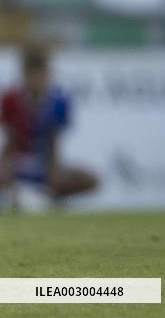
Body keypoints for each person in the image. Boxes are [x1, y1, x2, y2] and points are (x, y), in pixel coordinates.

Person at [0, 45, 98, 207]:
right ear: (24, 74)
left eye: (41, 74)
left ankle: (41, 198)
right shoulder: (10, 99)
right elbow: (10, 141)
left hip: (44, 166)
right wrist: (5, 167)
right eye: (32, 74)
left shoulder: (60, 101)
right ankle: (20, 196)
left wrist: (54, 171)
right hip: (18, 164)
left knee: (91, 179)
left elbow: (55, 141)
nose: (37, 80)